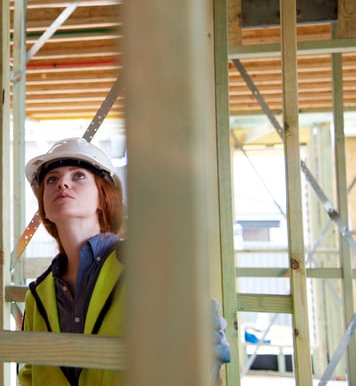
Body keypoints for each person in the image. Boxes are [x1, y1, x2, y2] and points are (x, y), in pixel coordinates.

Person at [17, 138, 230, 385]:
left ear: (103, 196)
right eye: (51, 179)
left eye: (78, 176)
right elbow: (29, 374)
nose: (62, 183)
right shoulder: (38, 295)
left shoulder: (148, 267)